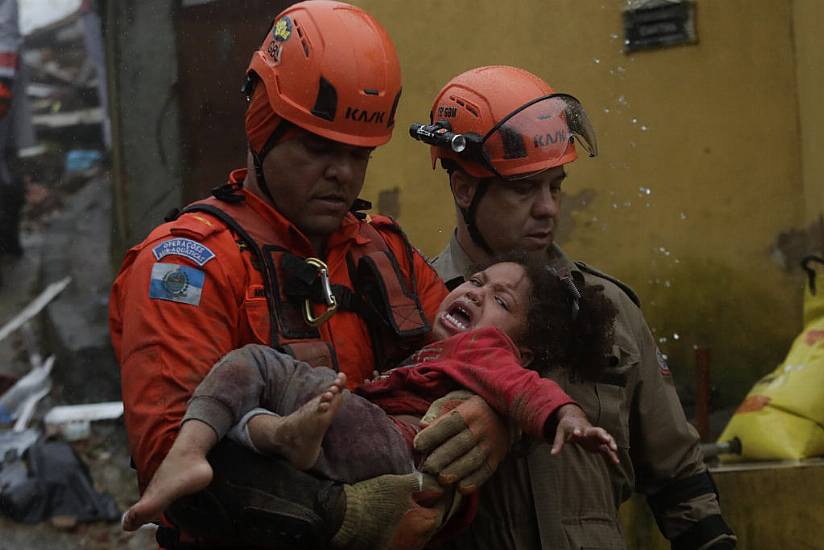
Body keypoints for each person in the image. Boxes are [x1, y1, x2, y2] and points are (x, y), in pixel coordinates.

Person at [108, 3, 511, 548]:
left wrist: (494, 416)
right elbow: (173, 461)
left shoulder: (383, 248)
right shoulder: (186, 264)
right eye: (318, 148)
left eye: (359, 154)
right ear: (263, 126)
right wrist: (343, 516)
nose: (341, 173)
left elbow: (484, 360)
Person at [414, 65, 737, 549]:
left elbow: (679, 477)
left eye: (555, 185)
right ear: (464, 189)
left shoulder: (607, 308)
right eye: (524, 189)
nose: (548, 208)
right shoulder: (419, 307)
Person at [121, 256, 621, 544]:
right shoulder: (436, 337)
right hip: (379, 465)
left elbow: (526, 386)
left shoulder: (484, 348)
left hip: (388, 445)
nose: (476, 293)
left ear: (522, 349)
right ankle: (288, 437)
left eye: (502, 301)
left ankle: (193, 453)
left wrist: (563, 416)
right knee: (250, 423)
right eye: (475, 280)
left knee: (257, 364)